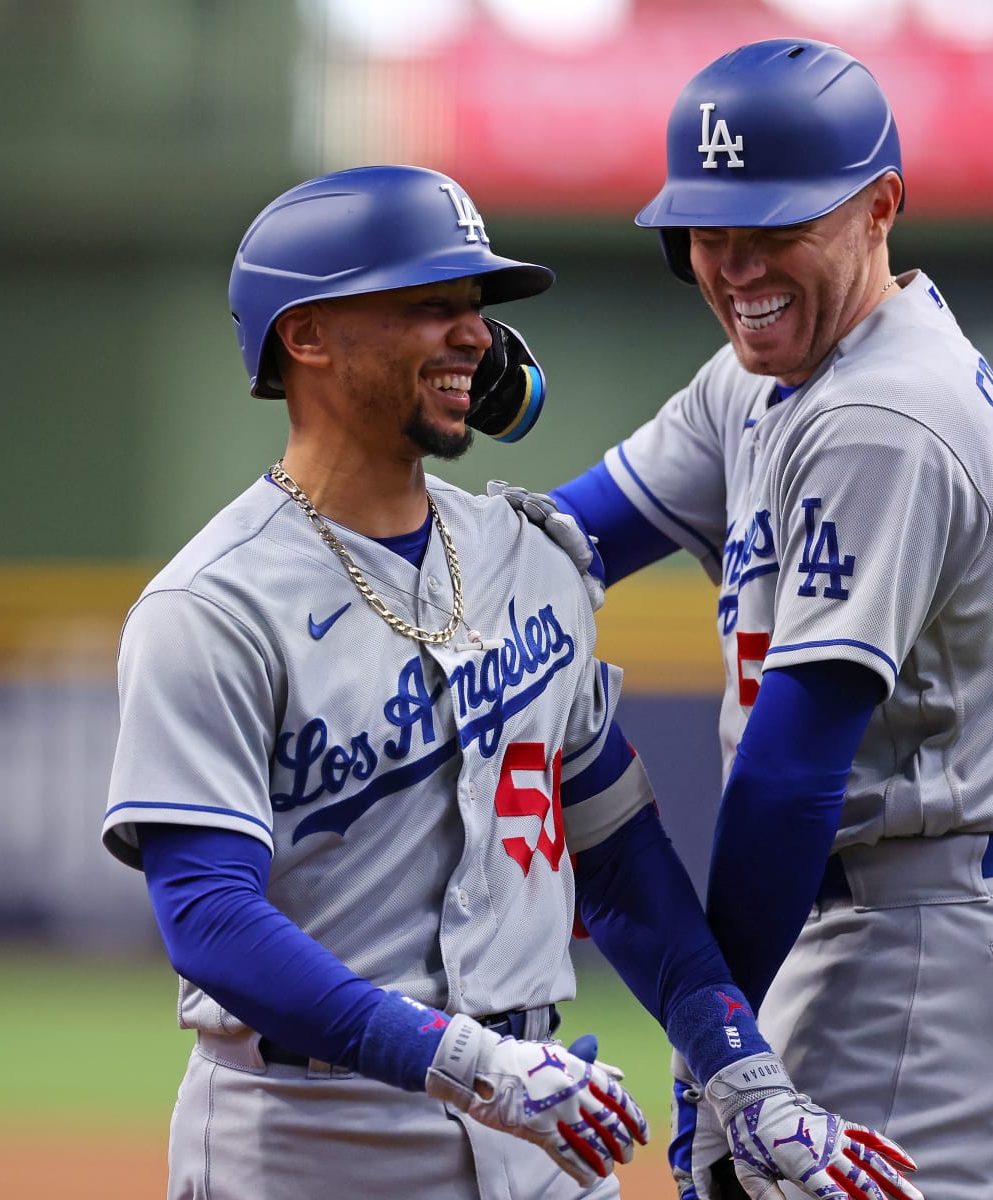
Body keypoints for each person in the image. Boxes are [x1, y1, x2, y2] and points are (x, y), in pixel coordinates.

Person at [99, 164, 921, 1200]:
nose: (476, 336)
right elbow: (208, 915)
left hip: (543, 1124)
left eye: (476, 309)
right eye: (430, 306)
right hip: (310, 1133)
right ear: (305, 336)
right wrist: (464, 1063)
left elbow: (618, 859)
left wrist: (740, 1069)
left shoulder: (530, 559)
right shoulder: (210, 607)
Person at [512, 39, 993, 1200]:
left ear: (880, 207)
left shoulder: (884, 412)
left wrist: (720, 1051)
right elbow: (565, 545)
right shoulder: (765, 379)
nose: (735, 264)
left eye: (773, 225)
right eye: (706, 229)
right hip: (906, 943)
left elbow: (792, 774)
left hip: (935, 959)